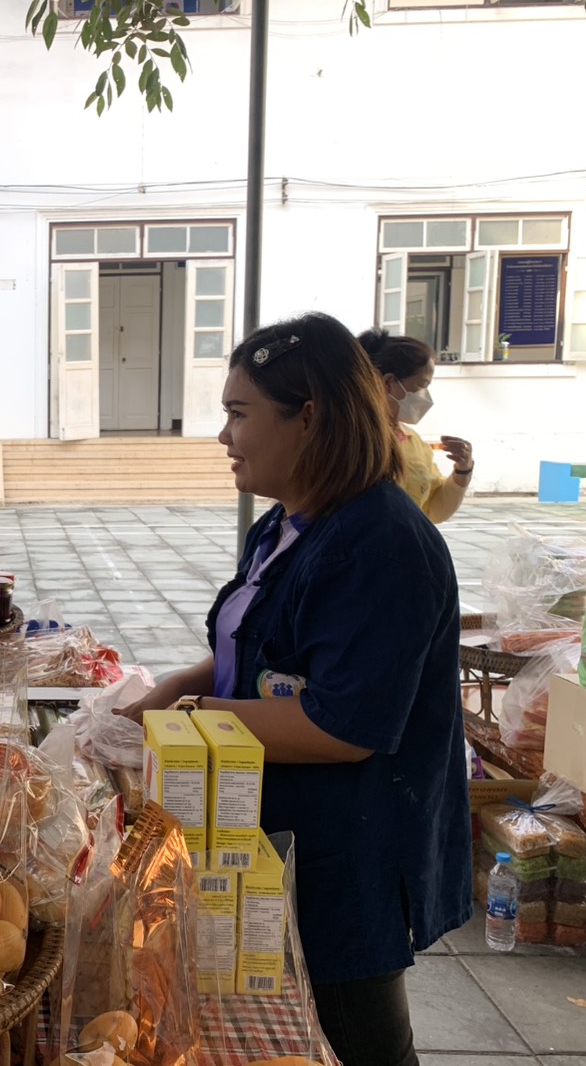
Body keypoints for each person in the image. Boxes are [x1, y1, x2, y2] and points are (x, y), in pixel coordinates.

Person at [120, 313, 471, 1066]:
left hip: (344, 850)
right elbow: (253, 649)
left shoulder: (380, 545)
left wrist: (192, 718)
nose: (223, 436)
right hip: (272, 836)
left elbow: (341, 728)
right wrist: (175, 686)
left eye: (238, 414)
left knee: (358, 1035)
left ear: (307, 418)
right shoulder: (286, 524)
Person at [358, 329, 474, 524]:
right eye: (421, 386)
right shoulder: (353, 440)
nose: (425, 397)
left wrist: (463, 471)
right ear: (388, 383)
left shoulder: (412, 441)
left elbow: (432, 509)